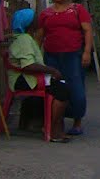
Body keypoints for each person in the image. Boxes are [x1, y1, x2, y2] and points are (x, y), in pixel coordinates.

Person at [6, 8, 71, 142]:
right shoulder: (24, 40)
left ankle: (50, 126)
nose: (38, 20)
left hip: (27, 77)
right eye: (35, 18)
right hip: (24, 79)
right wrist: (51, 71)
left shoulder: (25, 38)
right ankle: (52, 129)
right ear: (29, 23)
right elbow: (28, 66)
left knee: (61, 85)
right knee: (63, 91)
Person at [38, 0, 92, 136]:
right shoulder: (46, 13)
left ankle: (77, 122)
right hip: (51, 56)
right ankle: (56, 121)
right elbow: (40, 35)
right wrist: (35, 55)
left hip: (73, 55)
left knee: (76, 87)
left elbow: (87, 30)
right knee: (54, 88)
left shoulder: (77, 10)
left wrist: (87, 52)